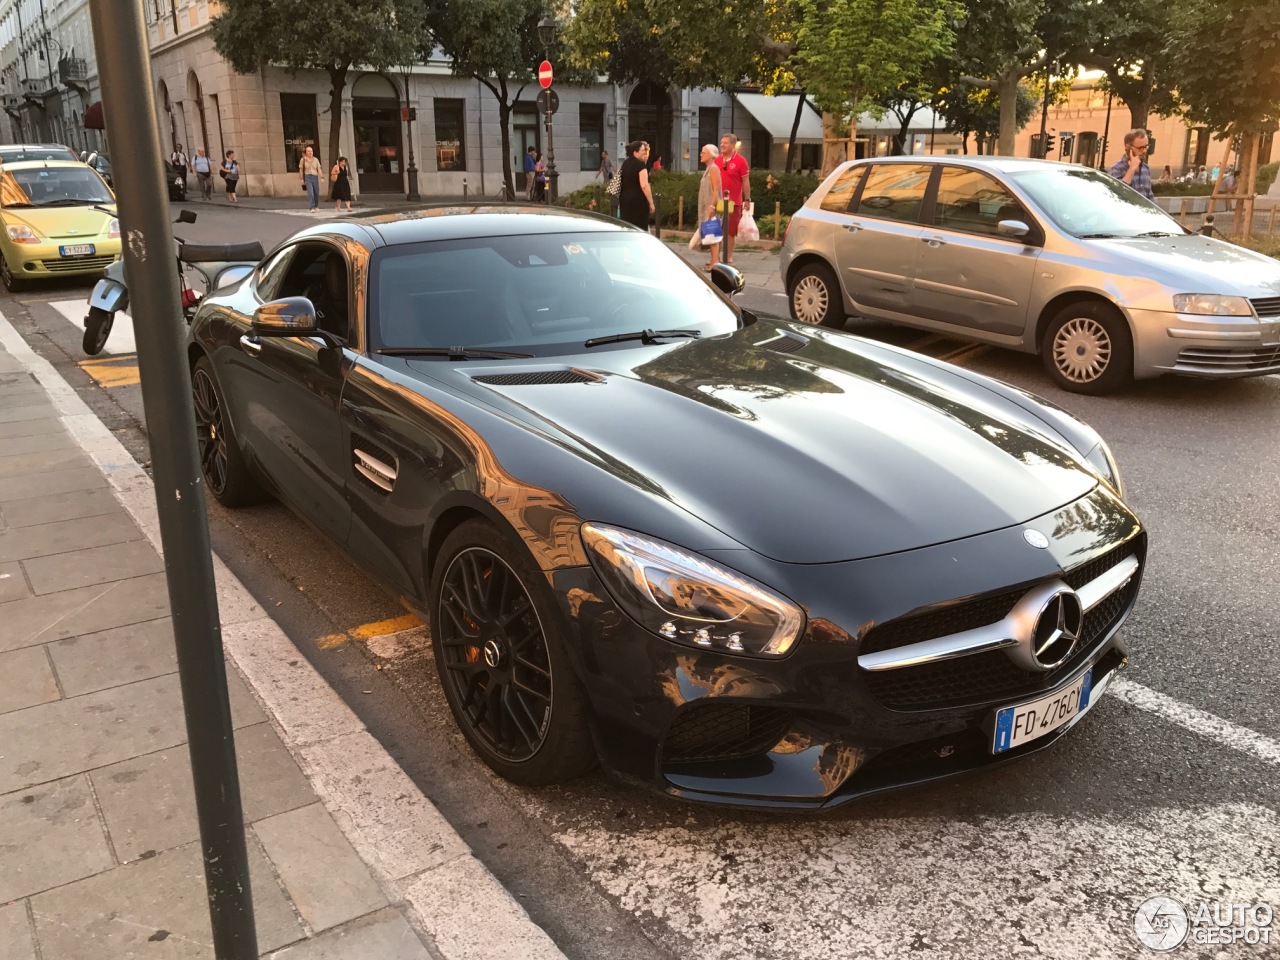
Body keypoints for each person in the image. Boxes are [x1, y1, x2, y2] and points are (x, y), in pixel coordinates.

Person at [715, 133, 751, 263]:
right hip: (718, 201)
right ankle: (716, 257)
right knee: (716, 229)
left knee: (730, 232)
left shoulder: (741, 161)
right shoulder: (717, 160)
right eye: (721, 142)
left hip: (734, 202)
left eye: (725, 143)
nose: (722, 145)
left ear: (733, 145)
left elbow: (746, 181)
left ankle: (728, 256)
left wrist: (747, 199)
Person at [618, 140, 655, 230]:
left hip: (624, 200)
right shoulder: (640, 165)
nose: (645, 153)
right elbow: (644, 185)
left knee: (627, 228)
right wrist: (651, 202)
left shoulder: (625, 163)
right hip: (638, 202)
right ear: (635, 152)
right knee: (639, 229)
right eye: (643, 151)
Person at [1108, 128, 1154, 200]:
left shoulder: (1146, 169)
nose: (1144, 151)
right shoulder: (1116, 169)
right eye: (1140, 148)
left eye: (1146, 147)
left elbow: (1150, 198)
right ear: (1128, 147)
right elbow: (1117, 194)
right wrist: (1132, 169)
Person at [697, 144, 723, 271]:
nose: (701, 155)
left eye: (704, 153)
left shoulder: (713, 168)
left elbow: (716, 189)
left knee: (712, 234)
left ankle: (715, 261)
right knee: (710, 233)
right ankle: (714, 259)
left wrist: (712, 205)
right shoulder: (708, 169)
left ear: (712, 155)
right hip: (707, 205)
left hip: (711, 206)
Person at [299, 145, 323, 211]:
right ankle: (312, 207)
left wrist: (322, 177)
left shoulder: (316, 159)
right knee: (310, 193)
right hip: (307, 176)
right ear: (306, 152)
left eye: (311, 151)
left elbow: (319, 168)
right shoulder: (303, 160)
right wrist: (301, 178)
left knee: (316, 192)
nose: (310, 152)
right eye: (309, 151)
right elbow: (301, 169)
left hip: (315, 176)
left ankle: (316, 206)